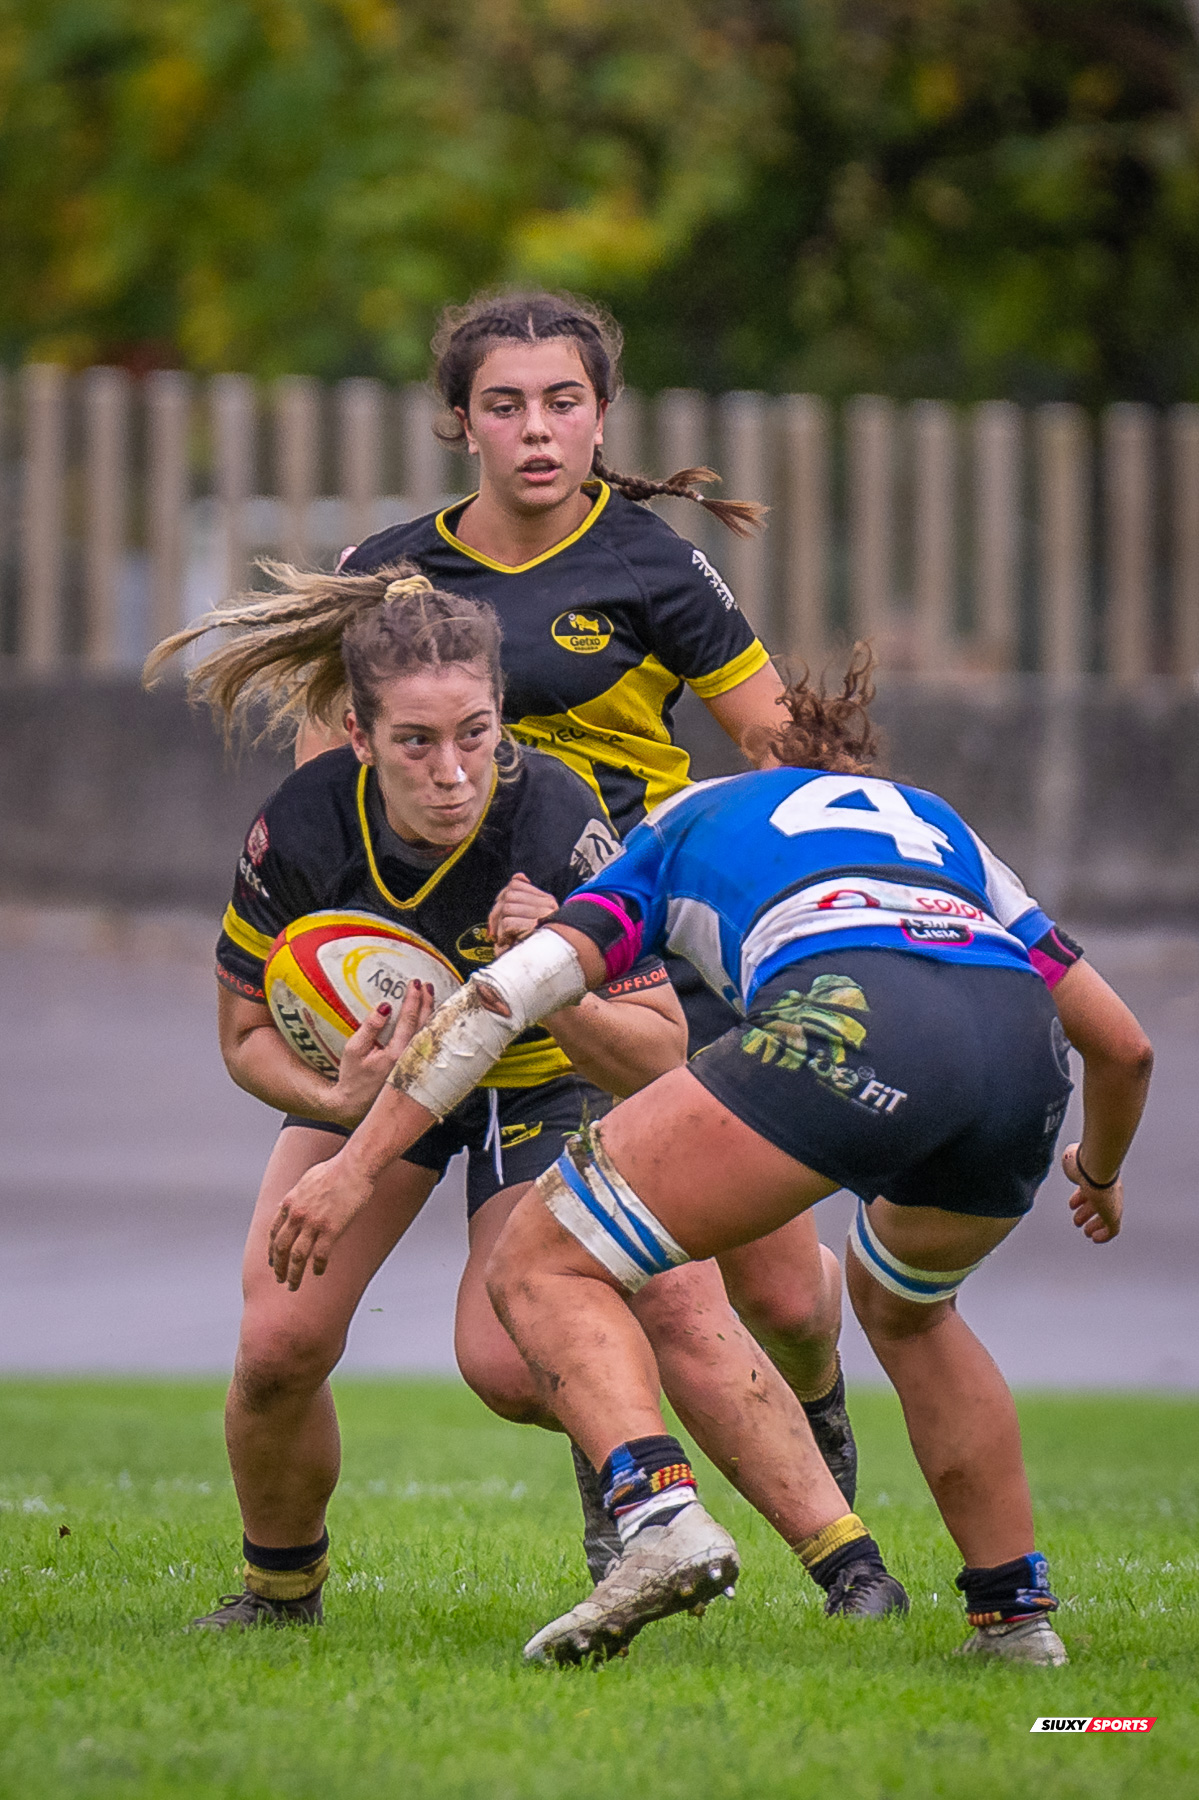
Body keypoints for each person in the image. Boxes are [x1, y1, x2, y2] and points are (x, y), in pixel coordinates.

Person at [271, 647, 1153, 1668]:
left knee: (541, 1256)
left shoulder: (689, 817)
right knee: (912, 1313)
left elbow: (508, 995)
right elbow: (1122, 1047)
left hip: (848, 1014)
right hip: (1019, 1055)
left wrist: (352, 1167)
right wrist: (1096, 1173)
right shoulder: (938, 828)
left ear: (762, 768)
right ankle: (1013, 1622)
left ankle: (657, 1520)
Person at [145, 579, 905, 1629]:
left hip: (543, 1076)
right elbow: (242, 1039)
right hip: (379, 1086)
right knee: (276, 1345)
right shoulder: (302, 827)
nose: (452, 771)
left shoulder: (551, 812)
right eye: (415, 743)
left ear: (501, 716)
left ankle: (852, 1574)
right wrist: (330, 1090)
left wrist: (555, 979)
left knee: (520, 1362)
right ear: (358, 737)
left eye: (474, 733)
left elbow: (657, 1048)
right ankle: (279, 1597)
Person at [296, 287, 857, 1515]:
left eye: (562, 401)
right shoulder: (386, 572)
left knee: (774, 1293)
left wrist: (826, 889)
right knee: (557, 1297)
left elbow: (783, 752)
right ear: (461, 422)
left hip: (649, 947)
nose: (536, 429)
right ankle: (631, 1497)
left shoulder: (650, 564)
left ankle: (815, 1389)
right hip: (476, 960)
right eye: (504, 405)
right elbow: (324, 776)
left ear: (602, 415)